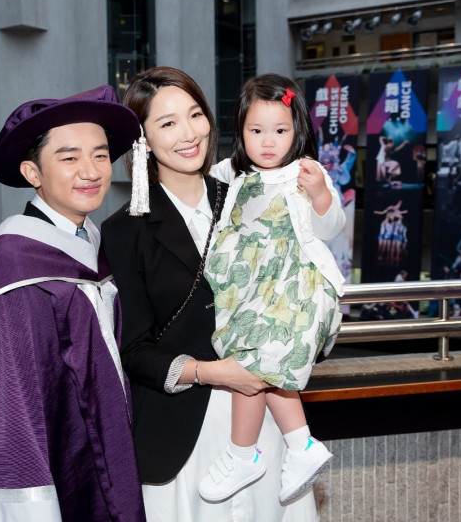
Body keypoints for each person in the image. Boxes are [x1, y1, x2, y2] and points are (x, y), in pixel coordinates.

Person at [101, 67, 318, 521]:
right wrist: (210, 372)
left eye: (195, 114)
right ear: (143, 140)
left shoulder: (249, 197)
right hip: (183, 436)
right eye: (168, 123)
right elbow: (132, 349)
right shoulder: (124, 230)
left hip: (264, 424)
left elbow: (297, 282)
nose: (189, 133)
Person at [0, 86, 146, 522]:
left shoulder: (90, 246)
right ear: (33, 172)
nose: (91, 171)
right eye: (69, 158)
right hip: (54, 475)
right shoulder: (12, 269)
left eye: (100, 155)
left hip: (98, 457)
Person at [200, 73, 345, 505]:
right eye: (256, 131)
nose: (268, 142)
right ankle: (300, 444)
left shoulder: (306, 172)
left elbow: (331, 227)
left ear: (297, 130)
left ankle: (244, 453)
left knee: (254, 362)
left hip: (294, 288)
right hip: (251, 292)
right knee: (262, 368)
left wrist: (319, 194)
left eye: (280, 131)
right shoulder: (229, 173)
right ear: (240, 131)